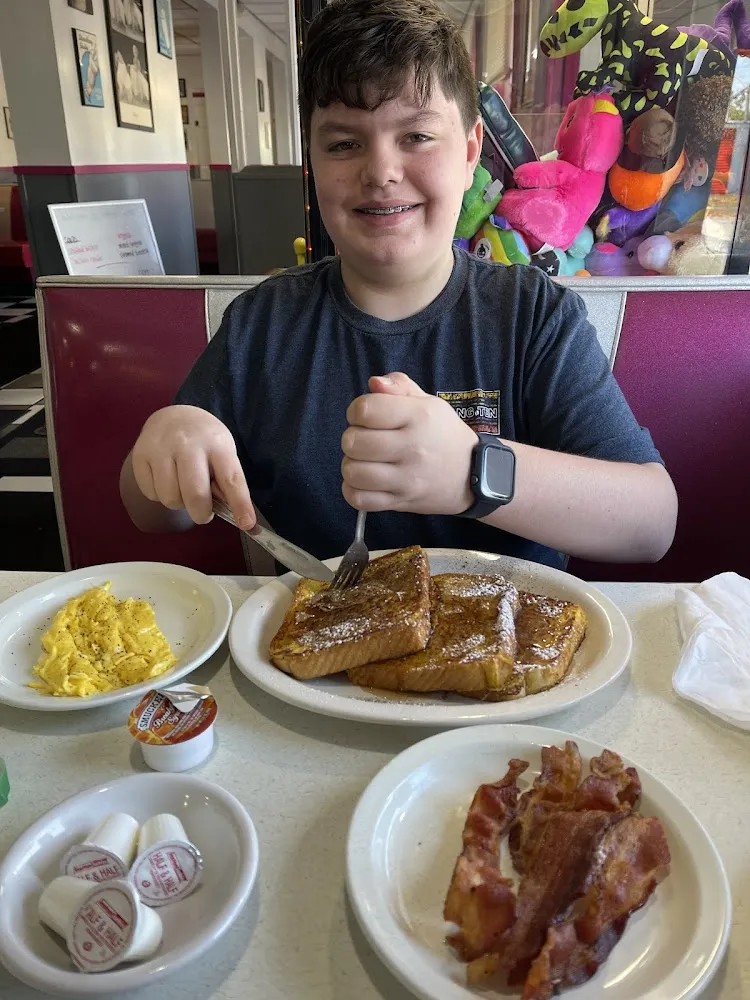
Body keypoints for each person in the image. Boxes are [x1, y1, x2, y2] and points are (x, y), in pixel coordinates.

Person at [120, 0, 677, 570]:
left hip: (509, 649)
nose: (381, 171)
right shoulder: (262, 324)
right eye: (343, 143)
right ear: (311, 162)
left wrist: (471, 471)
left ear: (468, 154)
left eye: (415, 136)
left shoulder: (533, 316)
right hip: (306, 643)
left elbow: (651, 523)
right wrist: (165, 443)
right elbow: (153, 513)